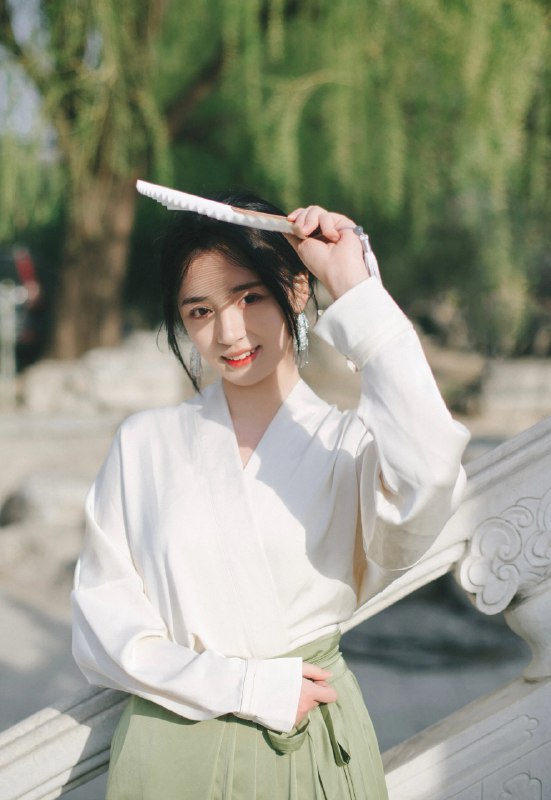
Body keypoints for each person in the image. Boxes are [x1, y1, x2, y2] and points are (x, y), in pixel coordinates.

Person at [71, 192, 470, 799]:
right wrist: (245, 688)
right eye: (200, 311)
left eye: (250, 297)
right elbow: (103, 627)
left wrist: (354, 284)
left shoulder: (350, 447)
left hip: (306, 746)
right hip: (172, 752)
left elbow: (433, 470)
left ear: (298, 288)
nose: (228, 332)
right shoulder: (144, 444)